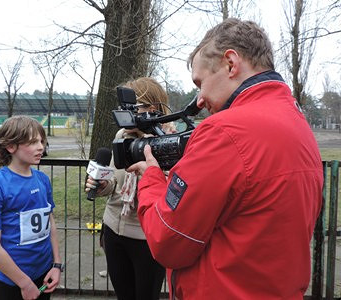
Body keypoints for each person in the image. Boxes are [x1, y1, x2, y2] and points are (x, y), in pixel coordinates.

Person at [127, 18, 323, 300]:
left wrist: (151, 178)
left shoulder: (224, 131)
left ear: (231, 63)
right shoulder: (296, 122)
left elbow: (168, 239)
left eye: (200, 82)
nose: (200, 100)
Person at [85, 77, 172, 300]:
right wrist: (103, 184)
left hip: (147, 239)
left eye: (132, 107)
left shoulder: (170, 142)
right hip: (114, 230)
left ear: (152, 109)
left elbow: (172, 196)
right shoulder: (121, 136)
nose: (123, 112)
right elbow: (114, 182)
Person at [0, 116, 62, 300]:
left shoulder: (43, 180)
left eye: (41, 141)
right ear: (10, 146)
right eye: (32, 142)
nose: (41, 147)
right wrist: (24, 283)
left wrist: (56, 265)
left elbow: (50, 223)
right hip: (12, 281)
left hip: (44, 273)